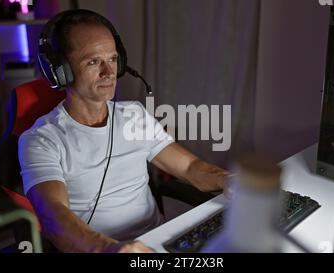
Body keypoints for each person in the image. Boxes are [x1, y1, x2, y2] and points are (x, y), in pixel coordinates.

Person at [18, 9, 230, 253]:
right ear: (61, 71)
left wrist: (227, 180)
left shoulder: (134, 115)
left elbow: (190, 168)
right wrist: (109, 249)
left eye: (113, 59)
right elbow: (53, 217)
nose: (109, 73)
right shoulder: (41, 140)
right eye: (93, 61)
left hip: (158, 244)